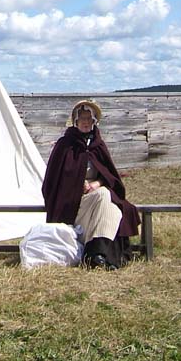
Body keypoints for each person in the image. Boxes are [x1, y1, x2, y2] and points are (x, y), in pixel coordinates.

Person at [42, 100, 140, 270]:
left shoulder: (98, 145)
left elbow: (110, 176)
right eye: (82, 118)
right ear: (75, 121)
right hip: (73, 206)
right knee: (107, 198)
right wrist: (76, 183)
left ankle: (97, 255)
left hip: (97, 200)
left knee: (113, 207)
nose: (85, 122)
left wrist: (98, 182)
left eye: (89, 118)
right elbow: (52, 180)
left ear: (94, 121)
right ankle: (100, 254)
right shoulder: (65, 145)